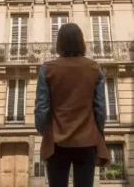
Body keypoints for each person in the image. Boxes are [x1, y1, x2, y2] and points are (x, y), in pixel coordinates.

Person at [35, 23, 109, 187]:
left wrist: (44, 132)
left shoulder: (47, 69)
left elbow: (41, 108)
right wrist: (99, 131)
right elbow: (100, 108)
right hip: (87, 140)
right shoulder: (94, 68)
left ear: (59, 43)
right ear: (81, 42)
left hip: (56, 142)